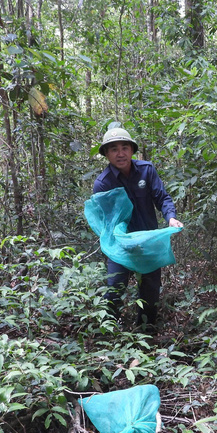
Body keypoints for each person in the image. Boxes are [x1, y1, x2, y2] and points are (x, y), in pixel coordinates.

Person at [93, 126, 183, 331]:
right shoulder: (103, 183)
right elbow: (106, 220)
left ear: (132, 150)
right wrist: (120, 239)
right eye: (113, 149)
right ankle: (109, 334)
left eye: (125, 147)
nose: (120, 153)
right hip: (120, 246)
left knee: (150, 291)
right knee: (114, 288)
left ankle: (147, 333)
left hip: (148, 244)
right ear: (106, 154)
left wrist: (170, 218)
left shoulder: (146, 170)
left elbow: (162, 197)